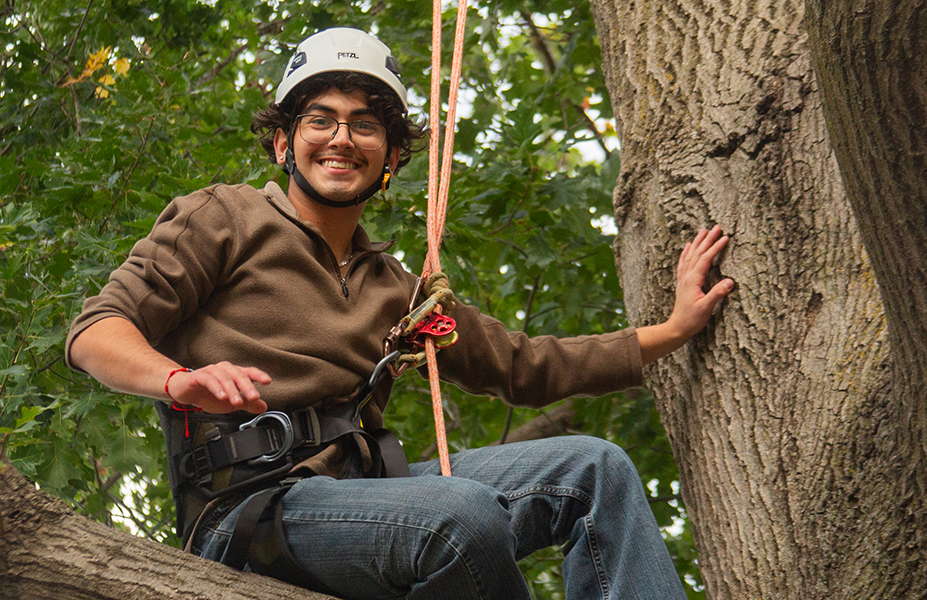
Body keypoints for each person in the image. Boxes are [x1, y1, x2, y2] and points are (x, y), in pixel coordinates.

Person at [66, 27, 734, 600]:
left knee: (595, 471)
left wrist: (673, 330)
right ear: (282, 144)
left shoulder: (398, 291)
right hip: (252, 507)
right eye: (320, 120)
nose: (341, 139)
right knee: (461, 514)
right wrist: (178, 380)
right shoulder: (225, 217)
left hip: (373, 495)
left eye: (365, 126)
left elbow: (524, 365)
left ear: (389, 159)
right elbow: (97, 331)